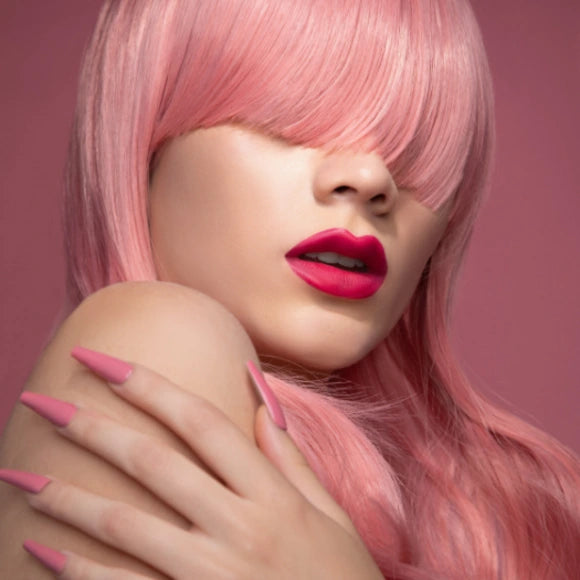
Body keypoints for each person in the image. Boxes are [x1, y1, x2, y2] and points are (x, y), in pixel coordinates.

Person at [0, 0, 578, 578]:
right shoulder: (153, 338)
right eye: (292, 119)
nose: (372, 179)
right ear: (146, 143)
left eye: (416, 147)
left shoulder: (506, 512)